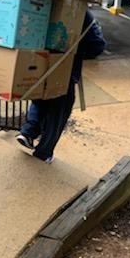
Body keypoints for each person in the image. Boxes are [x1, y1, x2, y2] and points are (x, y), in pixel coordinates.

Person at [16, 9, 106, 163]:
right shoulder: (80, 11)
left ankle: (28, 132)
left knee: (40, 100)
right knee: (59, 112)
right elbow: (97, 45)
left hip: (38, 64)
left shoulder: (44, 0)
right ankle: (43, 153)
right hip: (64, 71)